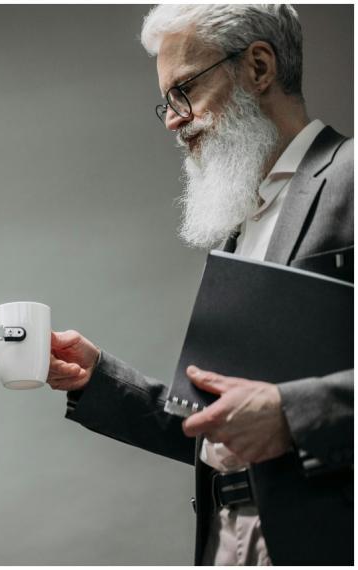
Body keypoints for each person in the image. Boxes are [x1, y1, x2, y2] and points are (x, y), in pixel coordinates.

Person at [48, 5, 353, 565]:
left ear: (259, 67)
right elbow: (221, 422)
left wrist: (293, 413)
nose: (172, 120)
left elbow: (272, 414)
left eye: (184, 90)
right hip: (226, 539)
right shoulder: (239, 225)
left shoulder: (351, 176)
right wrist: (98, 378)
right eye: (166, 101)